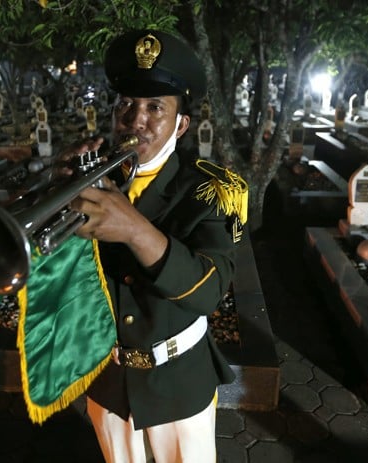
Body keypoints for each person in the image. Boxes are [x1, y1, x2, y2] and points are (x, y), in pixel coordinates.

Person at [61, 29, 247, 462]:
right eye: (126, 104)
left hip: (178, 381)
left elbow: (209, 291)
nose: (135, 120)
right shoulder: (91, 177)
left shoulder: (215, 190)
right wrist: (58, 188)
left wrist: (135, 230)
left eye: (154, 108)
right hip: (106, 377)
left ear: (181, 124)